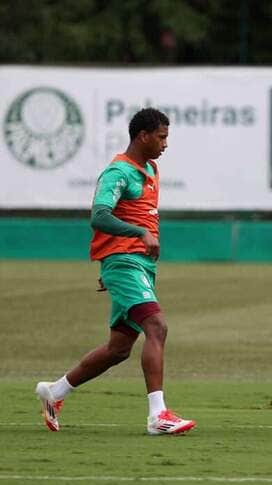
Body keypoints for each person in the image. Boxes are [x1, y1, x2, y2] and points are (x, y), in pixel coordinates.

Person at [35, 108, 195, 436]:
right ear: (143, 136)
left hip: (136, 267)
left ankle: (55, 392)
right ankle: (157, 416)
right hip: (126, 263)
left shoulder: (151, 169)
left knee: (118, 349)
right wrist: (134, 239)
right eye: (161, 137)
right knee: (157, 326)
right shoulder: (118, 172)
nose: (166, 144)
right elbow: (99, 215)